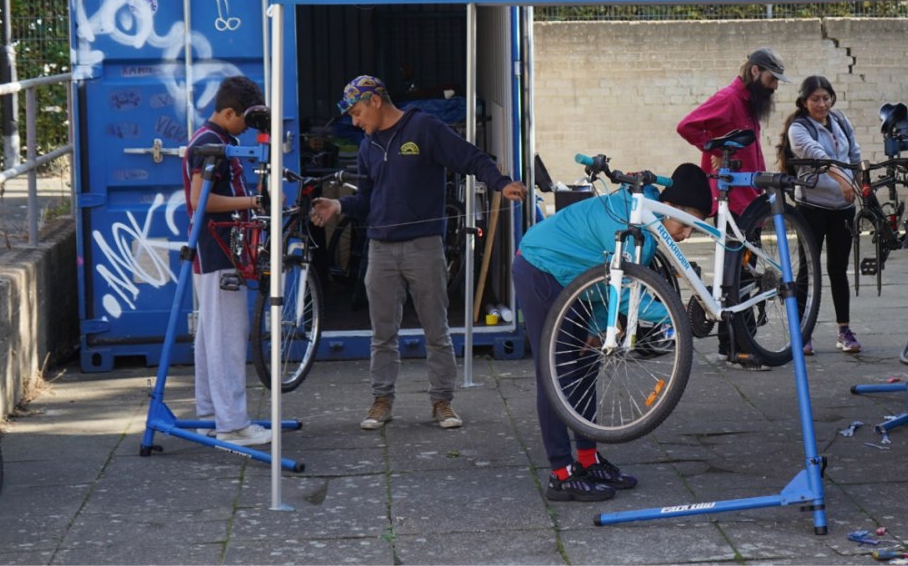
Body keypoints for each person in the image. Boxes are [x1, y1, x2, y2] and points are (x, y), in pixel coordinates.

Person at [309, 75, 526, 431]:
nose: (355, 122)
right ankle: (382, 400)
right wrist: (338, 205)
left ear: (376, 101)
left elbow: (470, 157)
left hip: (424, 247)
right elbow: (365, 200)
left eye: (358, 112)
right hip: (379, 250)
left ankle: (442, 402)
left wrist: (501, 183)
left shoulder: (424, 127)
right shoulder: (366, 147)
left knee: (436, 329)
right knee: (382, 333)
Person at [512, 162, 713, 501]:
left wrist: (596, 326)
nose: (687, 235)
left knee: (586, 369)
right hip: (541, 269)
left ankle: (588, 460)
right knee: (556, 377)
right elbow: (629, 294)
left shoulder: (645, 236)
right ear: (669, 209)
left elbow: (615, 285)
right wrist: (679, 316)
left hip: (575, 280)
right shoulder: (627, 221)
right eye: (687, 224)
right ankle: (560, 474)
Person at [182, 75, 273, 447]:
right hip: (217, 249)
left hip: (216, 248)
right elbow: (199, 199)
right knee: (228, 340)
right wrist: (255, 203)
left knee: (211, 337)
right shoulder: (210, 144)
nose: (248, 130)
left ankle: (210, 416)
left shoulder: (215, 139)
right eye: (245, 121)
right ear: (229, 112)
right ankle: (233, 424)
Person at [777, 76, 864, 355]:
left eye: (826, 98)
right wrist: (842, 181)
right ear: (804, 102)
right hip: (812, 208)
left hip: (843, 208)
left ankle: (844, 330)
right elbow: (818, 157)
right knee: (808, 271)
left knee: (839, 270)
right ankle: (803, 332)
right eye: (815, 99)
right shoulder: (799, 129)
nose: (822, 103)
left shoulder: (840, 121)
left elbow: (854, 155)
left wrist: (861, 185)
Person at [676, 48, 788, 217]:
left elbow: (754, 152)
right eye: (771, 79)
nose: (775, 86)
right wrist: (718, 151)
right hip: (732, 199)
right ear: (755, 71)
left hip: (750, 196)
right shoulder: (728, 99)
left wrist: (764, 185)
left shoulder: (750, 103)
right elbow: (686, 126)